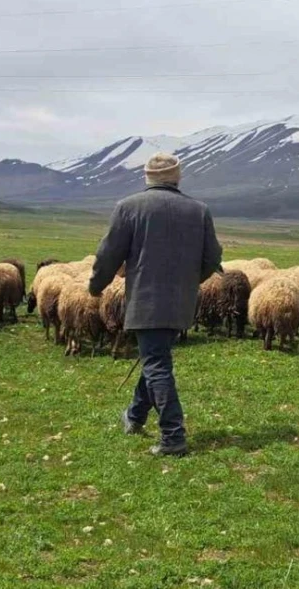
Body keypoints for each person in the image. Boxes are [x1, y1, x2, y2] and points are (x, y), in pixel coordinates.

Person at [89, 153, 222, 456]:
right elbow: (212, 259)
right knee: (155, 358)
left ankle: (173, 437)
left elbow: (108, 254)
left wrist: (96, 287)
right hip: (181, 303)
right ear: (178, 177)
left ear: (147, 178)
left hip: (146, 302)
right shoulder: (199, 210)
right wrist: (190, 282)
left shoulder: (129, 207)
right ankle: (134, 416)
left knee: (157, 365)